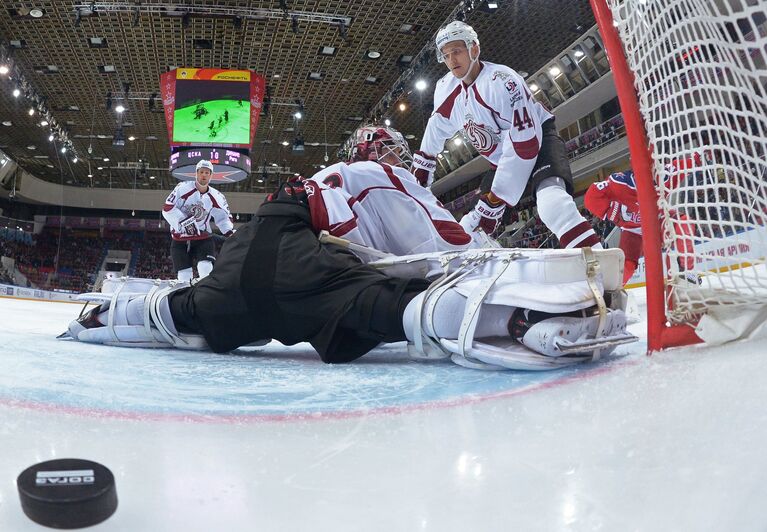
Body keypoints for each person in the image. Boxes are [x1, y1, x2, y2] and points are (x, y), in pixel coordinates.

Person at [411, 21, 601, 249]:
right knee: (471, 225)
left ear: (474, 49)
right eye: (446, 55)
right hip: (503, 160)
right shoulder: (445, 87)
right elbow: (437, 125)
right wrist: (423, 167)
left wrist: (496, 198)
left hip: (539, 144)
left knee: (552, 205)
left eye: (457, 51)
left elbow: (526, 144)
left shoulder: (503, 81)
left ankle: (597, 261)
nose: (452, 60)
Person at [303, 124, 485, 256]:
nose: (398, 161)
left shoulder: (322, 175)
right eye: (394, 152)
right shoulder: (376, 173)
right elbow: (441, 241)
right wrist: (474, 245)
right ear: (373, 150)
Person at [584, 169, 699, 285]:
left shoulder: (664, 176)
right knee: (626, 265)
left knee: (684, 222)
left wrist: (699, 155)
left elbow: (685, 163)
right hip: (632, 229)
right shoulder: (619, 182)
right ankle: (611, 289)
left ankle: (687, 269)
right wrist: (612, 212)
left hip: (656, 221)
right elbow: (590, 198)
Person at [162, 159, 234, 281]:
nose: (204, 175)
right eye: (201, 172)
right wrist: (184, 223)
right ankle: (185, 298)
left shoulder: (217, 196)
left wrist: (229, 232)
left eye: (207, 172)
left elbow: (223, 217)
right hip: (180, 239)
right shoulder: (182, 188)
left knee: (206, 270)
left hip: (203, 238)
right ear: (196, 173)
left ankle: (206, 298)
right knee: (184, 276)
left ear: (211, 175)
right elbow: (167, 208)